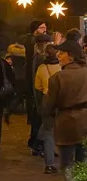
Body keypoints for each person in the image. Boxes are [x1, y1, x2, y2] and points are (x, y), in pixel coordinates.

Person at [43, 40, 87, 181]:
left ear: (70, 56)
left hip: (66, 123)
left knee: (67, 163)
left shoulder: (58, 78)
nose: (58, 56)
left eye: (61, 53)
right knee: (83, 161)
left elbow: (48, 105)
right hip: (85, 121)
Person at [34, 44, 61, 174]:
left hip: (47, 99)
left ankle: (49, 164)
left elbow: (37, 86)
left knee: (48, 130)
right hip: (62, 100)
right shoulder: (62, 67)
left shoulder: (41, 68)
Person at [23, 21, 47, 151]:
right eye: (42, 28)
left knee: (37, 113)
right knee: (37, 112)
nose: (45, 30)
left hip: (35, 80)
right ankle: (36, 141)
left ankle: (35, 140)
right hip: (33, 81)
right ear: (35, 30)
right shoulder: (31, 41)